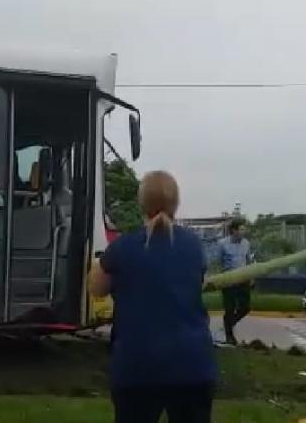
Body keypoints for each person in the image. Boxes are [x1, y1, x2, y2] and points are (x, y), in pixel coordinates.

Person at [89, 170, 217, 423]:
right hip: (193, 365)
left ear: (141, 203)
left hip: (138, 367)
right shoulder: (193, 246)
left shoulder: (123, 248)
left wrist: (99, 265)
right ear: (176, 204)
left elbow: (96, 288)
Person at [218, 217, 252, 345]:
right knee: (230, 309)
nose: (244, 232)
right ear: (234, 230)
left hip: (243, 279)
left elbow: (248, 261)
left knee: (246, 308)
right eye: (241, 229)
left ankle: (229, 324)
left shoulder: (246, 243)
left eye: (244, 229)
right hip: (229, 281)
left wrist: (251, 277)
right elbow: (218, 262)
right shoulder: (222, 244)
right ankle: (229, 336)